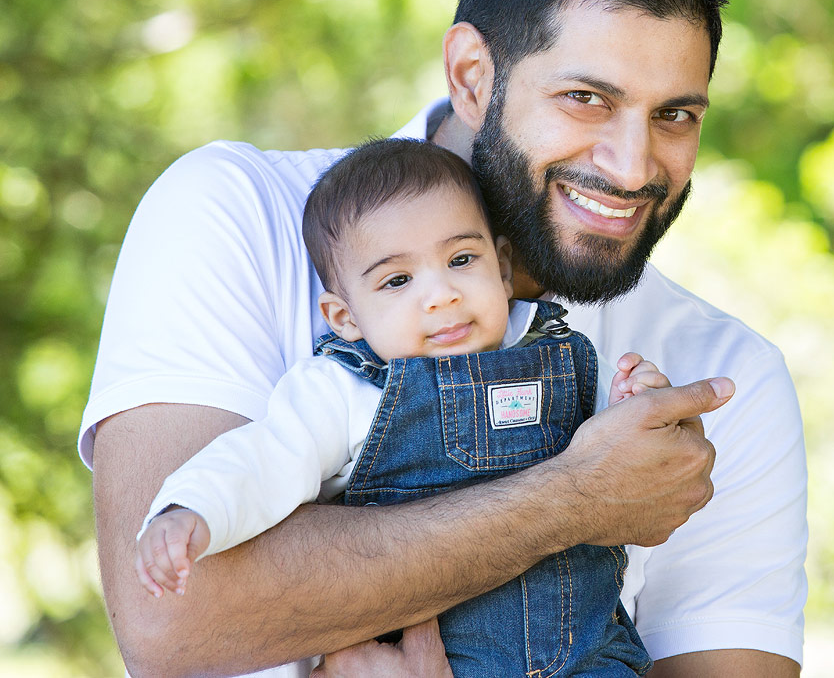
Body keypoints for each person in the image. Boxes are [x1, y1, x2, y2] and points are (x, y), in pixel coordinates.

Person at [84, 0, 808, 678]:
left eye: (675, 115)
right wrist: (575, 500)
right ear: (471, 75)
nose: (634, 166)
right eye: (586, 98)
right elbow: (169, 618)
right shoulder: (236, 215)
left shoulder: (725, 376)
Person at [134, 138, 661, 676]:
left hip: (592, 657)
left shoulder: (558, 357)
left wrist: (631, 402)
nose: (441, 294)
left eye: (461, 259)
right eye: (398, 280)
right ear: (345, 318)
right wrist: (191, 510)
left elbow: (617, 470)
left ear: (501, 270)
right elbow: (262, 462)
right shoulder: (346, 392)